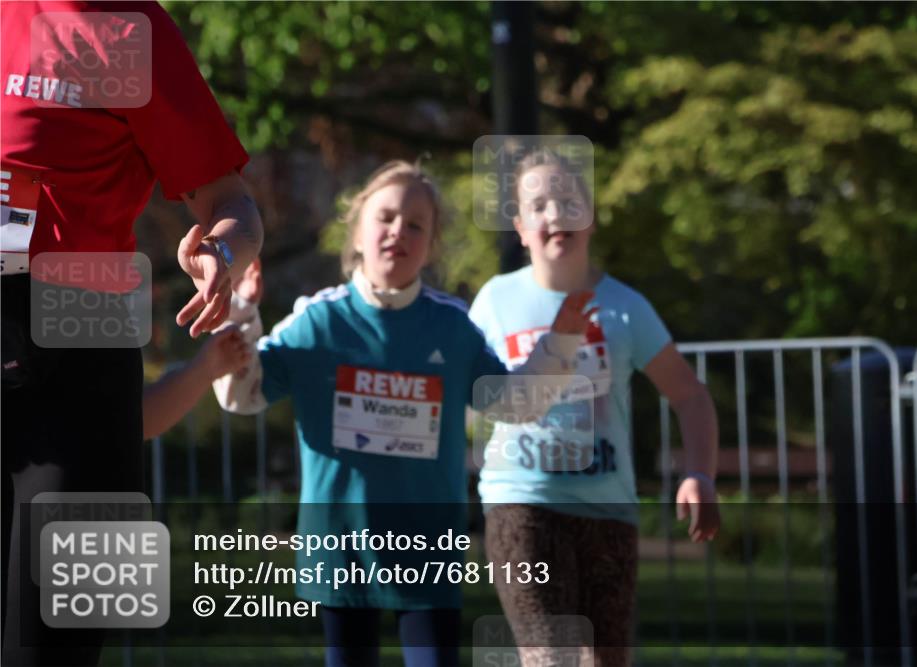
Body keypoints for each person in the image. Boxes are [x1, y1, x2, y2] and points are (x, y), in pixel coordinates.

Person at [211, 160, 595, 667]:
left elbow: (513, 400)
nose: (399, 231)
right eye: (386, 217)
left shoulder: (451, 327)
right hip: (340, 550)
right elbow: (244, 395)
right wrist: (241, 314)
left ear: (431, 245)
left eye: (416, 224)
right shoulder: (318, 320)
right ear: (358, 230)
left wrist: (561, 342)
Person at [1, 2, 262, 664]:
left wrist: (222, 256)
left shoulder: (131, 28)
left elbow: (233, 205)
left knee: (58, 639)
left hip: (79, 355)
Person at [469, 149, 721, 667]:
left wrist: (700, 473)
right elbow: (471, 397)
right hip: (522, 503)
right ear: (520, 227)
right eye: (539, 205)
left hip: (609, 511)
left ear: (591, 216)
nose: (555, 215)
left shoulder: (626, 307)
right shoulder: (495, 301)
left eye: (568, 201)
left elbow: (689, 394)